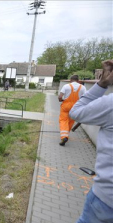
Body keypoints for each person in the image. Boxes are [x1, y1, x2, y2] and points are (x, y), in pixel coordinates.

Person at [70, 60, 113, 223]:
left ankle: (63, 136)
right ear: (79, 81)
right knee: (65, 126)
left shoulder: (110, 103)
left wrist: (103, 83)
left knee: (63, 123)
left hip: (106, 197)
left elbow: (74, 109)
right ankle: (64, 136)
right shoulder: (80, 87)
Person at [58, 75, 86, 146]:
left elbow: (60, 96)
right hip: (76, 107)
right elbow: (85, 97)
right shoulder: (82, 87)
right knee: (71, 121)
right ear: (78, 80)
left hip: (66, 106)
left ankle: (64, 136)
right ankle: (66, 134)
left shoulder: (66, 86)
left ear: (71, 80)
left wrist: (60, 100)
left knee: (63, 120)